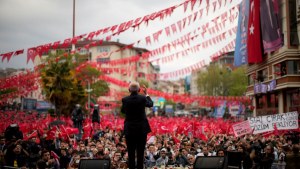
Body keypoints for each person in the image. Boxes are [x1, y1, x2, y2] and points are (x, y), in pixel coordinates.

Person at [121, 82, 153, 169]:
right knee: (140, 152)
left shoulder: (125, 99)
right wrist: (146, 93)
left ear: (129, 90)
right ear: (139, 90)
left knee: (131, 153)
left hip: (130, 129)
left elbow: (123, 111)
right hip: (141, 129)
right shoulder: (143, 98)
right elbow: (151, 104)